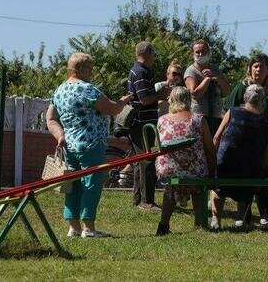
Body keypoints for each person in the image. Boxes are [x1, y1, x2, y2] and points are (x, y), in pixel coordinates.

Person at [46, 52, 133, 238]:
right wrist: (123, 101)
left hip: (70, 145)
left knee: (72, 185)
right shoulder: (87, 90)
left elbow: (50, 118)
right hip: (91, 144)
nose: (92, 74)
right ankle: (89, 228)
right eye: (90, 69)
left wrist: (60, 135)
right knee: (91, 184)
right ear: (80, 69)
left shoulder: (59, 91)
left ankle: (73, 227)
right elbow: (112, 109)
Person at [154, 87, 216, 235]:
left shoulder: (162, 120)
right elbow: (209, 149)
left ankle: (163, 225)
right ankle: (199, 224)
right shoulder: (198, 119)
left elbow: (156, 147)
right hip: (195, 172)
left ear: (171, 100)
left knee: (172, 186)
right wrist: (212, 171)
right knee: (198, 185)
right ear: (189, 100)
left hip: (169, 173)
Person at [224, 53, 268, 226]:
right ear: (250, 69)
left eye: (262, 66)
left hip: (261, 139)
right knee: (244, 174)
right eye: (255, 66)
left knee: (263, 174)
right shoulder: (241, 87)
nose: (258, 69)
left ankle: (266, 216)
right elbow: (229, 111)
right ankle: (244, 216)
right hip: (241, 139)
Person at [210, 85, 268, 230]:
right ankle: (241, 220)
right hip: (251, 174)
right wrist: (261, 171)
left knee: (218, 184)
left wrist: (212, 162)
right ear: (263, 101)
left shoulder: (232, 112)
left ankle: (216, 219)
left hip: (225, 169)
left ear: (245, 97)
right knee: (251, 169)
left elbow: (216, 138)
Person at [129, 41, 172, 210]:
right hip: (142, 122)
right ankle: (147, 202)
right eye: (154, 53)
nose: (155, 57)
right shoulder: (140, 72)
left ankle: (138, 199)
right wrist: (161, 94)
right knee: (147, 160)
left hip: (143, 121)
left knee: (140, 161)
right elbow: (144, 99)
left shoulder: (142, 70)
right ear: (147, 53)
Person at [184, 39, 231, 135]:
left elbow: (227, 91)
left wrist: (216, 77)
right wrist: (207, 79)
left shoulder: (215, 69)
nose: (200, 54)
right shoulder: (191, 71)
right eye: (197, 52)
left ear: (208, 52)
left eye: (203, 51)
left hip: (217, 116)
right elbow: (195, 94)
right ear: (192, 54)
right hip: (200, 117)